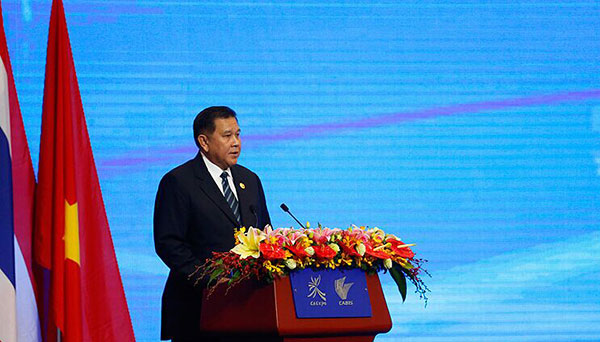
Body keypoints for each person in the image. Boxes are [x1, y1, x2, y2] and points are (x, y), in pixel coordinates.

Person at [154, 106, 271, 342]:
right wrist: (212, 280)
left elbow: (265, 233)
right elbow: (169, 244)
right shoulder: (178, 181)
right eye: (227, 136)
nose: (236, 142)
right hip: (198, 309)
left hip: (250, 310)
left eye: (238, 134)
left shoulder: (250, 179)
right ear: (204, 142)